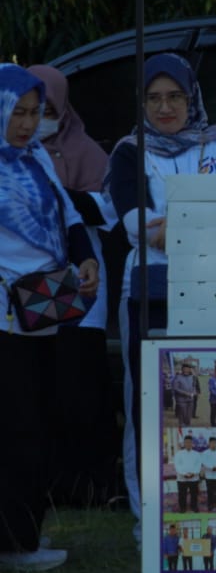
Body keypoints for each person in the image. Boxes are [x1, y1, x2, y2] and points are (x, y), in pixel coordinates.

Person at [107, 52, 216, 533]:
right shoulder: (131, 150)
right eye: (154, 98)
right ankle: (146, 514)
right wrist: (209, 222)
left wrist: (178, 224)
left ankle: (210, 503)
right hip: (151, 291)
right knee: (148, 402)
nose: (165, 108)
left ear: (192, 98)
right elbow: (139, 226)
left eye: (175, 97)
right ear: (142, 102)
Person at [29, 65, 118, 509]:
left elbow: (111, 210)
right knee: (42, 383)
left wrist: (65, 196)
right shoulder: (12, 153)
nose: (37, 119)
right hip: (30, 287)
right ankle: (47, 482)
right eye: (28, 109)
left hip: (80, 283)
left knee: (82, 385)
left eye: (47, 109)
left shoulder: (84, 150)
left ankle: (89, 484)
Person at [172, 436, 203, 513]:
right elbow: (177, 465)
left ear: (192, 443)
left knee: (194, 494)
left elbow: (198, 465)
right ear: (184, 443)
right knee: (182, 494)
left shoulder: (197, 454)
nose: (188, 444)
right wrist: (184, 474)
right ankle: (182, 507)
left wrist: (194, 473)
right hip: (182, 478)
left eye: (190, 442)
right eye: (186, 442)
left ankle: (194, 506)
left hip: (194, 478)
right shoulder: (179, 454)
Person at [199, 436, 216, 511]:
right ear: (209, 443)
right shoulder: (205, 453)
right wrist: (212, 467)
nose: (213, 444)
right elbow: (204, 462)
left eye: (215, 443)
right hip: (210, 475)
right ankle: (210, 504)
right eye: (212, 443)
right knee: (210, 491)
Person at [170, 361, 199, 429]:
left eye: (188, 369)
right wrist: (185, 393)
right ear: (182, 369)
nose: (186, 370)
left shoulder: (192, 377)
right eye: (185, 368)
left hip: (190, 400)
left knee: (188, 416)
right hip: (181, 400)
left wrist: (195, 392)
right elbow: (175, 388)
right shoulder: (178, 377)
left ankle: (188, 426)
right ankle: (182, 427)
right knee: (182, 415)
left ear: (189, 370)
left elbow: (194, 386)